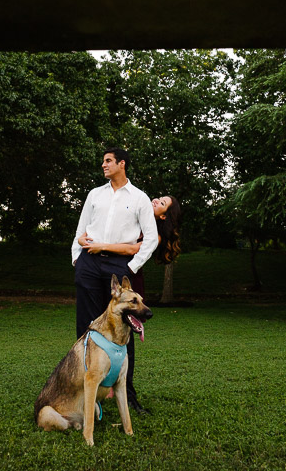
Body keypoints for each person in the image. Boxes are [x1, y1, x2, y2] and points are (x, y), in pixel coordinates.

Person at [71, 147, 158, 414]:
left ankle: (127, 393)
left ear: (122, 164)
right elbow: (80, 231)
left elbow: (151, 238)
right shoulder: (94, 194)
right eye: (103, 161)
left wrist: (131, 266)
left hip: (119, 265)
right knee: (87, 329)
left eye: (108, 161)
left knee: (124, 330)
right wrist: (78, 261)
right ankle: (84, 392)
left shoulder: (140, 198)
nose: (104, 165)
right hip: (89, 263)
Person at [77, 193, 182, 411]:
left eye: (162, 203)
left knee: (125, 335)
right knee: (97, 324)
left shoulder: (155, 234)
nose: (156, 201)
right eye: (158, 198)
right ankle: (93, 382)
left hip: (128, 278)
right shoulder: (134, 214)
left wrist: (103, 246)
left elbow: (133, 249)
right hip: (104, 272)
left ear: (164, 217)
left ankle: (127, 393)